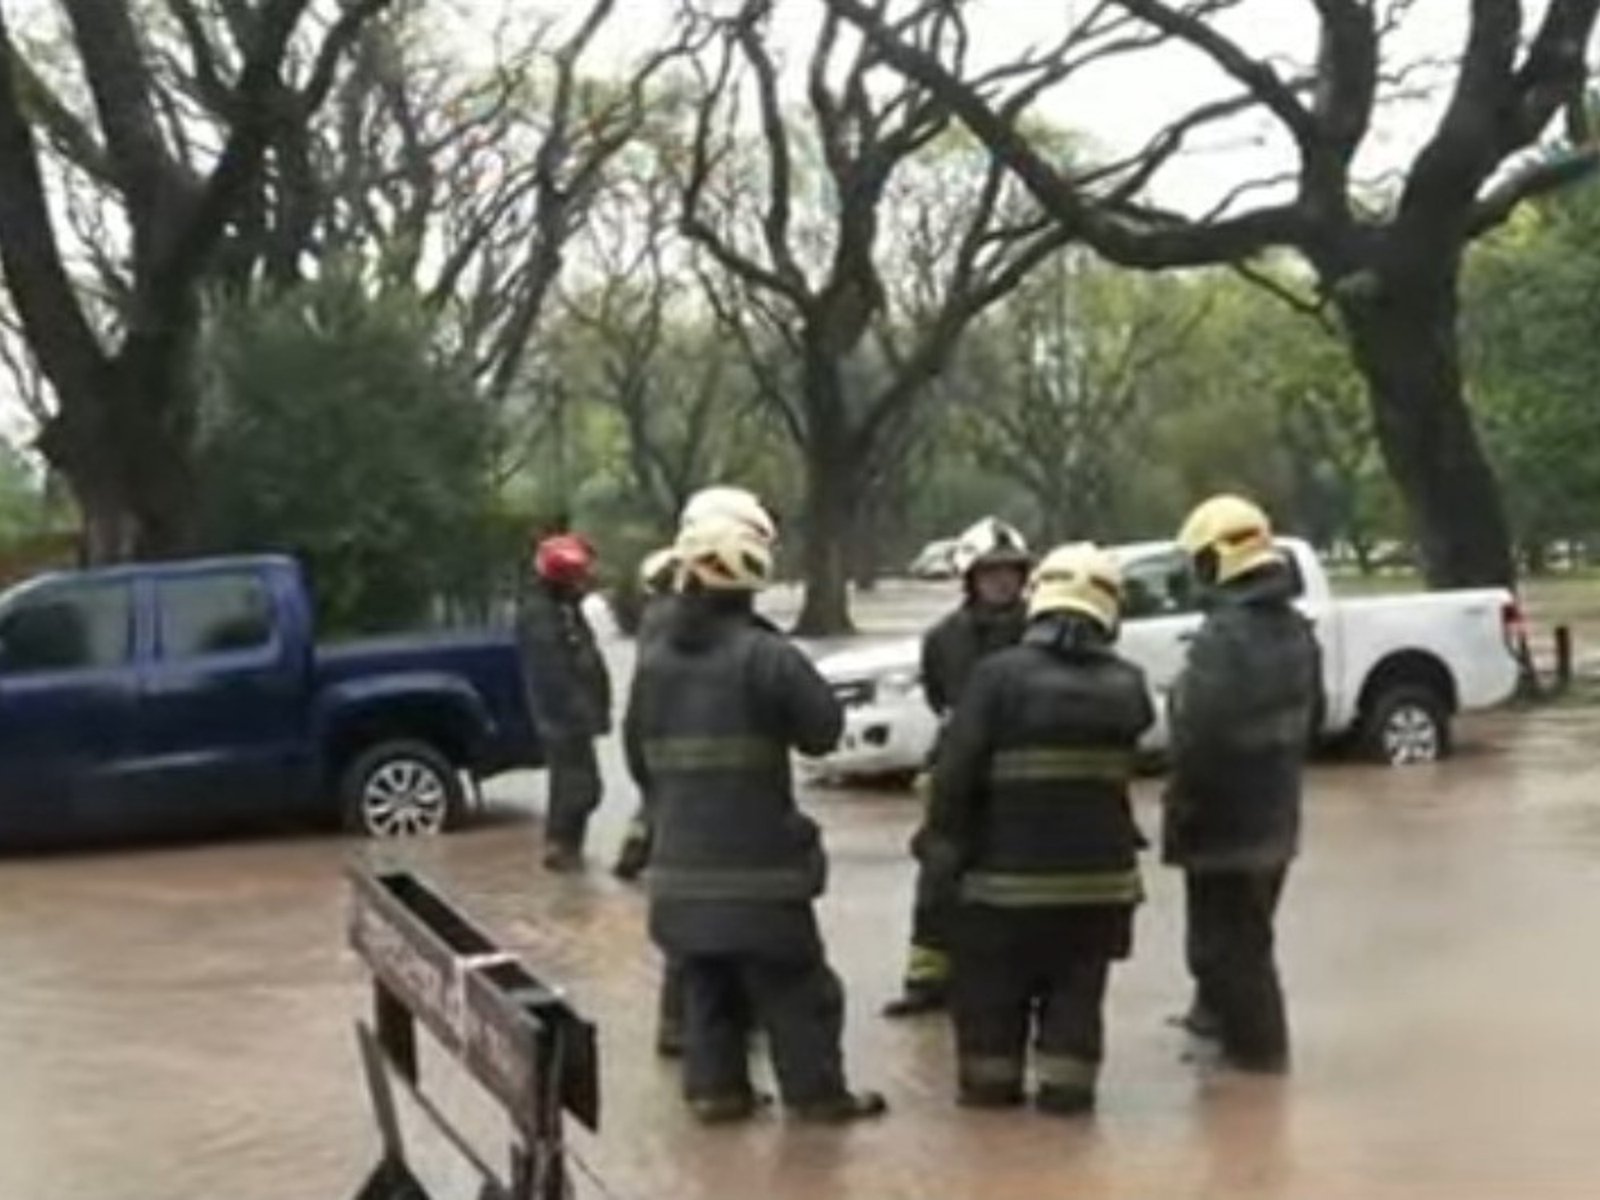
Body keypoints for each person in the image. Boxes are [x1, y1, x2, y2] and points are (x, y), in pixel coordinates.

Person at [624, 515, 886, 1125]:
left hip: (678, 874)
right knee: (801, 990)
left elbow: (639, 758)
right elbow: (822, 731)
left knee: (708, 989)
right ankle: (817, 1100)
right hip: (762, 875)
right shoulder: (766, 655)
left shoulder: (654, 661)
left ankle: (717, 1098)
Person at [918, 543, 1153, 1114]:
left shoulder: (996, 679)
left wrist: (941, 851)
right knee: (1077, 997)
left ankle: (993, 1095)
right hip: (1100, 891)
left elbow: (955, 778)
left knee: (991, 1012)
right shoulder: (1128, 684)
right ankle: (1067, 1094)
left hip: (1002, 890)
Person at [1164, 495, 1319, 1074]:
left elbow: (1196, 732)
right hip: (1277, 812)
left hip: (1222, 819)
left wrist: (1184, 813)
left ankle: (1256, 1061)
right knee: (1247, 935)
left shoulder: (1222, 638)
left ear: (1214, 562)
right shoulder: (1296, 629)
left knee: (1229, 948)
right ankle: (1217, 1025)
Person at [884, 517, 1032, 1018]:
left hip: (1018, 766)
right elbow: (939, 697)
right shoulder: (944, 637)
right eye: (991, 573)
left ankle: (1007, 975)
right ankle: (928, 979)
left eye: (1010, 572)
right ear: (970, 577)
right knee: (940, 870)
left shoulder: (1039, 631)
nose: (1002, 581)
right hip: (956, 764)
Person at [517, 532, 612, 873]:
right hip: (562, 718)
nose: (585, 583)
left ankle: (568, 848)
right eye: (579, 577)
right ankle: (560, 847)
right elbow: (552, 672)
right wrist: (579, 710)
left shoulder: (564, 609)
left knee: (578, 784)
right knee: (580, 786)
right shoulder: (542, 615)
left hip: (572, 715)